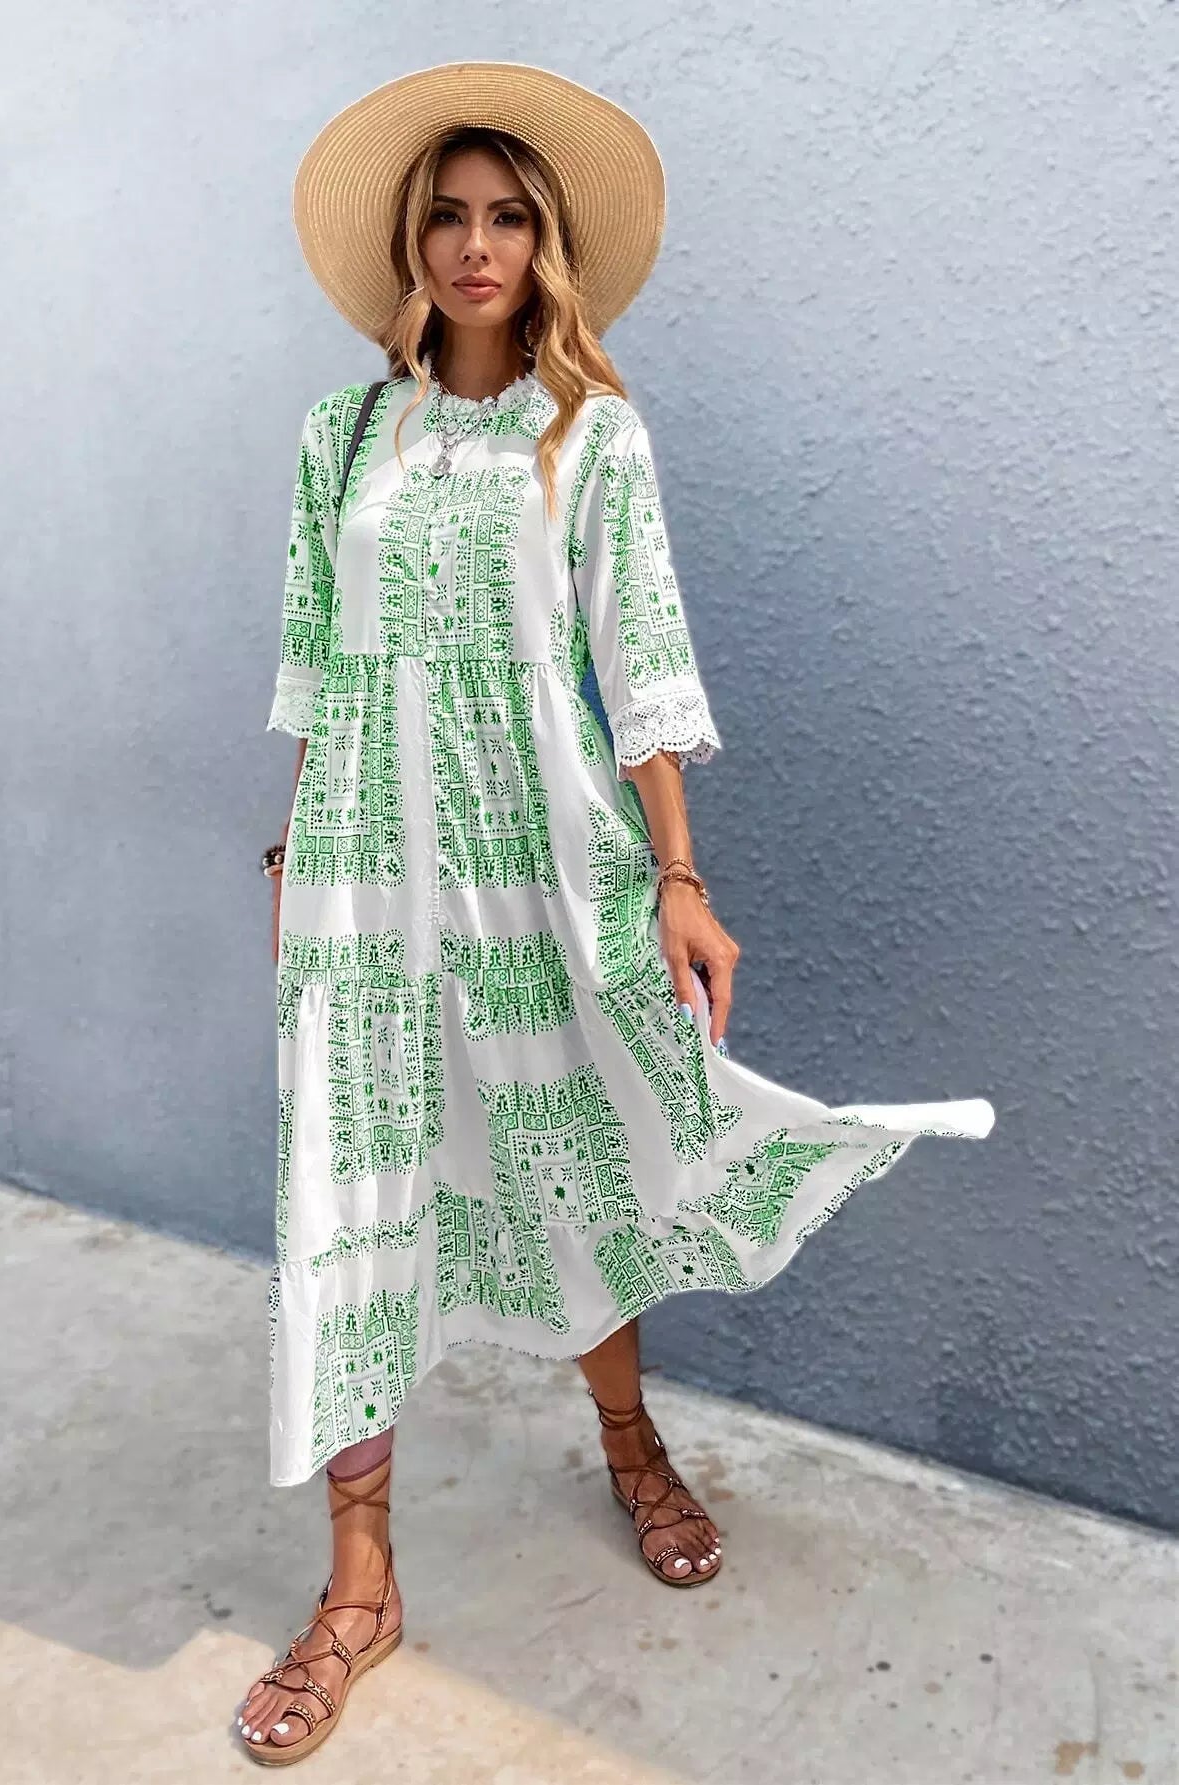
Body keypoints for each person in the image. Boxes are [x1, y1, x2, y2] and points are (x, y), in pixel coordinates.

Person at [237, 60, 995, 1764]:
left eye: (510, 218)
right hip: (364, 862)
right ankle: (359, 1582)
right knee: (343, 1181)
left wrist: (679, 877)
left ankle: (632, 1443)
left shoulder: (592, 435)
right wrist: (292, 862)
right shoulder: (339, 438)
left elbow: (640, 667)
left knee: (565, 1141)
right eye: (449, 215)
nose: (477, 244)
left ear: (547, 246)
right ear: (410, 242)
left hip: (538, 846)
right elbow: (317, 668)